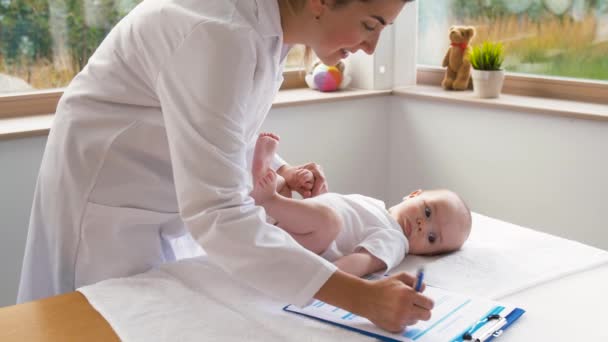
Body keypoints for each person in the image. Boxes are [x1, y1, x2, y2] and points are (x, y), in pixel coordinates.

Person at [17, 0, 431, 333]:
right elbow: (219, 213)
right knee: (100, 322)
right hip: (105, 205)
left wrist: (276, 168)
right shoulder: (218, 31)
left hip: (159, 198)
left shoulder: (267, 29)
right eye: (371, 25)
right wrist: (362, 297)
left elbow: (218, 123)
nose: (371, 48)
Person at [251, 133, 473, 277]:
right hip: (293, 226)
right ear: (413, 194)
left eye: (432, 238)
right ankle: (267, 185)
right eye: (427, 212)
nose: (422, 226)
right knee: (286, 185)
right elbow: (345, 214)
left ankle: (269, 198)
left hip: (303, 246)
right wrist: (316, 197)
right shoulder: (375, 205)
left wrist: (325, 280)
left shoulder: (395, 241)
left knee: (330, 221)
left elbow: (362, 262)